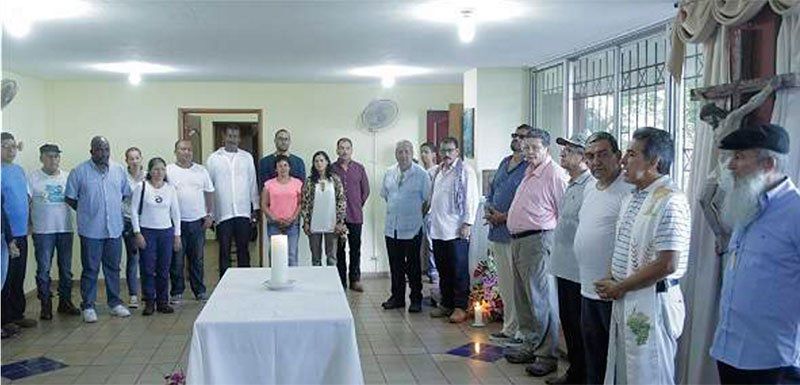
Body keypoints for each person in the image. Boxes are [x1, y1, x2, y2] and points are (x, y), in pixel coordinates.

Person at [595, 127, 690, 385]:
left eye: (631, 154)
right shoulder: (632, 197)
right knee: (625, 371)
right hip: (627, 294)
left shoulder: (670, 200)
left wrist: (620, 285)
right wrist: (612, 277)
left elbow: (668, 263)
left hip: (653, 300)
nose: (623, 160)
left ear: (654, 161)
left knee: (650, 373)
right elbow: (624, 247)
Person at [710, 123, 800, 384]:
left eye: (739, 157)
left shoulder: (795, 212)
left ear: (768, 164)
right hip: (730, 350)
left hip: (772, 361)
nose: (730, 165)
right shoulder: (748, 205)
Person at [503, 128, 566, 377]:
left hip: (539, 242)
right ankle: (530, 345)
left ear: (546, 149)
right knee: (524, 299)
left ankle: (546, 355)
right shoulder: (529, 171)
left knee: (541, 300)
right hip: (519, 241)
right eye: (526, 147)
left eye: (534, 148)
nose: (528, 152)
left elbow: (564, 215)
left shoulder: (554, 174)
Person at [574, 132, 630, 384]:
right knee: (593, 354)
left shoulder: (629, 189)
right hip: (587, 287)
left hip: (613, 290)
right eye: (590, 156)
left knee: (614, 361)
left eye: (602, 154)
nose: (595, 161)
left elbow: (630, 242)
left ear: (618, 156)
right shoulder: (589, 186)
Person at [65, 136, 132, 323]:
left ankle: (115, 303)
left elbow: (126, 194)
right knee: (90, 269)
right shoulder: (79, 172)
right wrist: (87, 211)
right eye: (99, 150)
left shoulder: (118, 170)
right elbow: (70, 198)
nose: (103, 154)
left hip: (114, 230)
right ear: (91, 151)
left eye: (106, 149)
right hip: (90, 230)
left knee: (113, 268)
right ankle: (88, 305)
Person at [547, 130, 593, 384]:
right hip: (563, 266)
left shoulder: (590, 185)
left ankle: (582, 374)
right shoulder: (571, 183)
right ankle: (574, 372)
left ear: (583, 155)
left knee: (579, 326)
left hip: (578, 270)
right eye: (563, 148)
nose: (562, 153)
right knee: (569, 323)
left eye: (569, 150)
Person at [485, 125, 530, 347]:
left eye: (522, 137)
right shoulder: (505, 162)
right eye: (515, 135)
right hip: (498, 232)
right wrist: (490, 210)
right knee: (504, 283)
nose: (517, 139)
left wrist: (504, 216)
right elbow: (492, 189)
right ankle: (509, 326)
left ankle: (522, 330)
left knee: (518, 286)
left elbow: (525, 200)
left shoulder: (529, 167)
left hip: (516, 233)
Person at [428, 137, 479, 323]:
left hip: (457, 230)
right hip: (438, 229)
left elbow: (471, 199)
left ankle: (460, 306)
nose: (446, 154)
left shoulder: (465, 171)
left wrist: (467, 223)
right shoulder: (438, 171)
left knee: (458, 270)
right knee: (443, 269)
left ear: (457, 152)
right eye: (443, 150)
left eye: (450, 150)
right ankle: (447, 304)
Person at [29, 144, 81, 320]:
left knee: (66, 270)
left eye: (56, 156)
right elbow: (26, 203)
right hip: (43, 231)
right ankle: (45, 304)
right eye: (49, 156)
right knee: (44, 269)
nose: (53, 160)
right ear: (41, 158)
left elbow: (77, 201)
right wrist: (29, 224)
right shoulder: (33, 178)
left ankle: (65, 302)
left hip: (65, 229)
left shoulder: (68, 177)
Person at [380, 141, 431, 313]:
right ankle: (397, 298)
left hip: (412, 228)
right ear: (396, 154)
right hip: (392, 227)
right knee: (395, 265)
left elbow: (427, 201)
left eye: (406, 152)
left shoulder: (421, 174)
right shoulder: (389, 172)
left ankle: (416, 299)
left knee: (414, 266)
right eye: (400, 152)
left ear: (412, 153)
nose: (403, 155)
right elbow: (387, 196)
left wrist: (414, 216)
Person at [206, 125, 259, 277]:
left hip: (243, 212)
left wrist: (254, 209)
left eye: (236, 136)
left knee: (243, 249)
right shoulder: (213, 159)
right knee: (224, 250)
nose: (233, 139)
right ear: (224, 137)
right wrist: (210, 213)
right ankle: (224, 283)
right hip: (223, 213)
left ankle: (245, 280)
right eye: (230, 136)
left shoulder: (246, 157)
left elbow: (252, 183)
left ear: (240, 138)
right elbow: (209, 187)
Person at [131, 157, 182, 315]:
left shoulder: (170, 188)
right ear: (150, 171)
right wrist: (137, 232)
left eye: (162, 169)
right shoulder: (142, 187)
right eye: (155, 169)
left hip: (166, 232)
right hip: (147, 232)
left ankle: (162, 301)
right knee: (148, 268)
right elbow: (133, 210)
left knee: (164, 269)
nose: (159, 173)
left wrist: (177, 235)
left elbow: (176, 213)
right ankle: (149, 301)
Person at [167, 140, 215, 302]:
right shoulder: (168, 171)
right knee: (177, 260)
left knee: (197, 259)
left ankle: (199, 291)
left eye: (189, 149)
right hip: (175, 223)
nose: (186, 152)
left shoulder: (201, 171)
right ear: (176, 151)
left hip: (197, 222)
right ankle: (177, 292)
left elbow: (209, 193)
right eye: (182, 149)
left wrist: (210, 214)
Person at [1, 132, 38, 332]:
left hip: (21, 232)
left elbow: (26, 199)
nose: (11, 150)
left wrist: (30, 222)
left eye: (13, 146)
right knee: (5, 277)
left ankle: (17, 314)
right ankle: (4, 319)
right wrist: (8, 236)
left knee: (18, 274)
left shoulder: (18, 170)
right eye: (5, 146)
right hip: (4, 235)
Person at [332, 138, 370, 291]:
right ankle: (341, 280)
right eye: (341, 148)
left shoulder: (359, 168)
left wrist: (356, 204)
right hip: (337, 218)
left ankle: (355, 279)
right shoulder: (331, 169)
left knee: (355, 248)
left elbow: (366, 190)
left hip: (355, 216)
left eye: (347, 148)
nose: (344, 151)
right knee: (339, 250)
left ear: (351, 150)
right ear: (337, 150)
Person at [301, 151, 347, 267]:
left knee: (331, 258)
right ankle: (317, 284)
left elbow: (341, 200)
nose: (319, 163)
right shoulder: (309, 181)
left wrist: (340, 222)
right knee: (316, 259)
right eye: (316, 161)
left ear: (327, 162)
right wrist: (306, 222)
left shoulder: (335, 179)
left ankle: (331, 284)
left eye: (322, 160)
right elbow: (305, 203)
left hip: (332, 223)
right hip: (314, 223)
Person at [261, 155, 303, 266]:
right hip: (274, 224)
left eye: (285, 165)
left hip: (292, 224)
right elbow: (264, 204)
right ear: (276, 169)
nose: (283, 168)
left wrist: (293, 218)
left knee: (291, 255)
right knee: (275, 255)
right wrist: (274, 218)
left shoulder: (297, 183)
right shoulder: (268, 184)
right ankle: (275, 280)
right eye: (280, 166)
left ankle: (292, 280)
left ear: (290, 168)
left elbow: (300, 203)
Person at [122, 147, 144, 308]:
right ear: (127, 161)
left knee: (149, 258)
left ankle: (150, 293)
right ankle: (133, 295)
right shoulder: (122, 177)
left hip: (147, 222)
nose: (134, 161)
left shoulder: (148, 176)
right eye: (131, 158)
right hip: (128, 221)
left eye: (137, 158)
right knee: (133, 258)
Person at [419, 141, 438, 283]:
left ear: (433, 155)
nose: (423, 155)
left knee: (432, 243)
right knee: (422, 243)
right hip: (419, 213)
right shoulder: (421, 172)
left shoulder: (437, 171)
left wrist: (426, 209)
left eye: (426, 152)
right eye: (422, 152)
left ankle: (434, 272)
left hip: (431, 212)